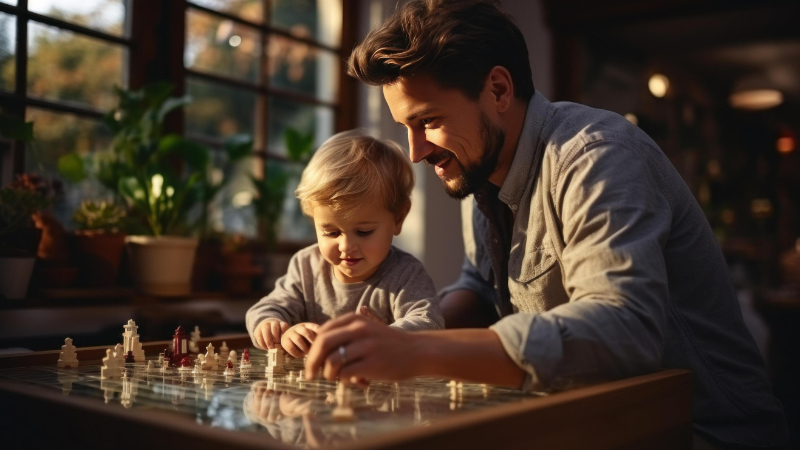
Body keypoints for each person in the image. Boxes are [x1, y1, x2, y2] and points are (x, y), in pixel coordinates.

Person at [303, 1, 788, 448]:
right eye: (406, 128)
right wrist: (403, 334)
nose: (416, 151)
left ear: (497, 89)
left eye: (428, 121)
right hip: (592, 424)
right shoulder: (479, 166)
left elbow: (624, 329)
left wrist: (421, 351)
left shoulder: (598, 155)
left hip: (704, 435)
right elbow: (481, 286)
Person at [246, 130, 444, 358]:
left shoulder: (406, 275)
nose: (346, 246)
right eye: (331, 232)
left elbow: (430, 324)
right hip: (316, 390)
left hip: (380, 390)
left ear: (398, 218)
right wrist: (277, 328)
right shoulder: (306, 267)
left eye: (363, 231)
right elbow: (265, 309)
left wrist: (385, 337)